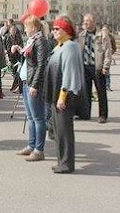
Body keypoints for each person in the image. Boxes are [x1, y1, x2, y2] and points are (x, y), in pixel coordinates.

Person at [44, 15, 86, 174]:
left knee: (64, 131)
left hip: (64, 96)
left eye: (57, 29)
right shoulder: (60, 46)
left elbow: (69, 73)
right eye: (53, 28)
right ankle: (62, 161)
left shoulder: (69, 46)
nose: (54, 31)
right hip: (57, 95)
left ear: (66, 30)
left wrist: (62, 97)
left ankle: (66, 163)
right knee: (58, 131)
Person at [15, 15, 49, 162]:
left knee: (38, 118)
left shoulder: (40, 41)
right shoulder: (32, 41)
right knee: (30, 117)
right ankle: (31, 145)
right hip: (25, 81)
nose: (25, 29)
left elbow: (41, 65)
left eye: (26, 26)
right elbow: (29, 60)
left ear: (34, 27)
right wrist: (19, 50)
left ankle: (39, 149)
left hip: (33, 84)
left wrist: (35, 84)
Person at [78, 14, 111, 123]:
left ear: (93, 22)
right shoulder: (82, 35)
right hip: (85, 66)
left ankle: (102, 115)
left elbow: (107, 50)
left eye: (87, 21)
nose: (85, 23)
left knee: (101, 92)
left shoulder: (101, 34)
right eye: (84, 21)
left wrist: (106, 66)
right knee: (86, 92)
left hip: (98, 67)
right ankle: (85, 114)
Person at [101, 25, 116, 91]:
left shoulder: (111, 37)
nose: (104, 31)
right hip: (100, 57)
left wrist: (110, 53)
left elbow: (114, 47)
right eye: (103, 30)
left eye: (105, 30)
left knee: (107, 71)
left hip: (107, 57)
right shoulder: (99, 36)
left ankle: (107, 85)